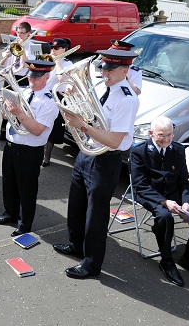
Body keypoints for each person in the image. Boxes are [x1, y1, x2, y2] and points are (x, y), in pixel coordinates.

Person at [53, 49, 140, 279]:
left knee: (95, 216)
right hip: (87, 152)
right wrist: (73, 99)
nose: (105, 72)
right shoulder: (102, 86)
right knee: (77, 205)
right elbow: (88, 113)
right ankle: (76, 245)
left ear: (125, 70)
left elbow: (115, 139)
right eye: (103, 67)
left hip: (105, 160)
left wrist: (82, 125)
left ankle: (91, 264)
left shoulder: (127, 99)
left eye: (111, 69)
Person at [131, 116, 189, 286]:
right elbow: (140, 184)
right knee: (164, 218)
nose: (167, 139)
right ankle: (166, 261)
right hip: (151, 194)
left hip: (175, 194)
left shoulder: (177, 149)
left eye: (170, 135)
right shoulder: (139, 151)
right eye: (162, 135)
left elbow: (183, 180)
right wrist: (164, 202)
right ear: (151, 134)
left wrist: (186, 202)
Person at [0, 60, 58, 236]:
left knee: (26, 189)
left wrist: (19, 113)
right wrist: (4, 106)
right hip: (11, 145)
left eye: (36, 77)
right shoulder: (23, 92)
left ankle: (24, 223)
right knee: (9, 184)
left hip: (29, 150)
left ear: (46, 77)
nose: (32, 79)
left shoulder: (49, 102)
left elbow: (37, 130)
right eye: (30, 75)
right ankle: (10, 213)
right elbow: (5, 117)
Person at [0, 22, 33, 141]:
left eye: (22, 33)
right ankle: (3, 132)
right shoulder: (13, 44)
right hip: (9, 77)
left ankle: (17, 131)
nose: (19, 35)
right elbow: (1, 63)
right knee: (4, 105)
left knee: (19, 107)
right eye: (18, 32)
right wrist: (7, 55)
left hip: (22, 80)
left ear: (28, 34)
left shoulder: (31, 46)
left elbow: (25, 65)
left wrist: (23, 50)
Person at [42, 38, 74, 166]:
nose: (53, 51)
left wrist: (58, 62)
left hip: (58, 95)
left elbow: (62, 78)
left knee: (54, 125)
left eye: (56, 48)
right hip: (45, 93)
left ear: (64, 49)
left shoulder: (68, 63)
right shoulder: (47, 59)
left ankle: (47, 155)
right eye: (52, 48)